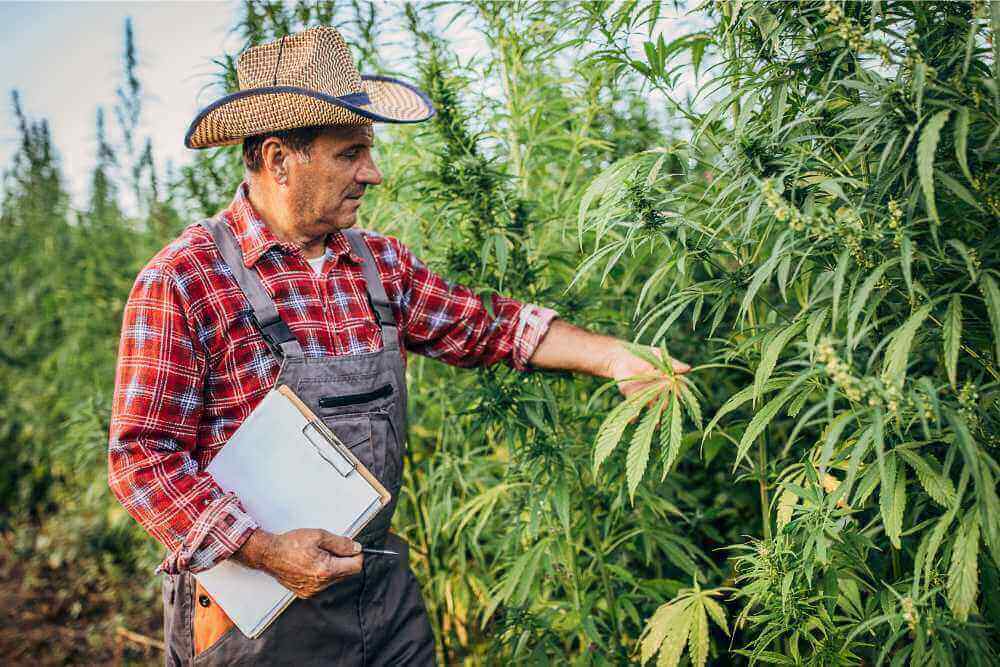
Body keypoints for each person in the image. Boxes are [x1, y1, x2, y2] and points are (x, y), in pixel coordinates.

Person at [107, 26, 690, 666]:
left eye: (370, 151)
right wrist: (265, 550)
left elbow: (490, 326)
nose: (373, 173)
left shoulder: (378, 264)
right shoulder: (185, 278)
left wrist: (616, 359)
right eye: (351, 153)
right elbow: (142, 461)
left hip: (378, 589)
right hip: (255, 610)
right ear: (278, 159)